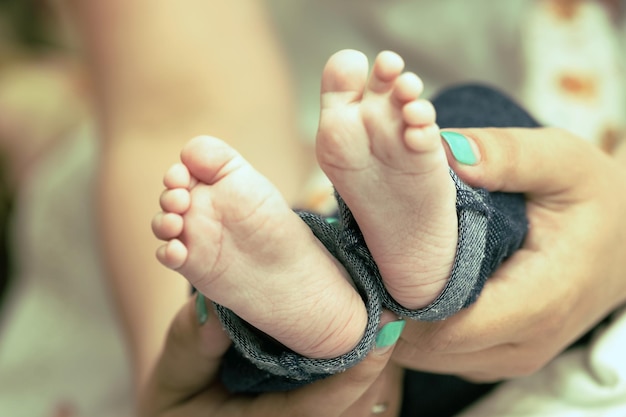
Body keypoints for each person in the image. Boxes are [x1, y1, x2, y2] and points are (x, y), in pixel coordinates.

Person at [140, 121, 626, 416]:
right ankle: (421, 258)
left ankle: (345, 310)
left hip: (573, 265)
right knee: (460, 146)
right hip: (463, 351)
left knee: (473, 118)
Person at [152, 48, 528, 391]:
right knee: (481, 116)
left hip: (340, 384)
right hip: (465, 363)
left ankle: (331, 315)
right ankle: (439, 250)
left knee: (231, 316)